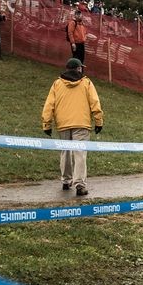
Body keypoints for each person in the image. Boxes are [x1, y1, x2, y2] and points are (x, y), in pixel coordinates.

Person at [41, 58, 104, 197]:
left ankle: (66, 180)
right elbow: (95, 103)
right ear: (78, 69)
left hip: (63, 125)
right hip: (82, 124)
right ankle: (80, 185)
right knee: (80, 154)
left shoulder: (57, 83)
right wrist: (98, 121)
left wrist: (47, 124)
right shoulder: (86, 83)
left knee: (65, 152)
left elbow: (49, 105)